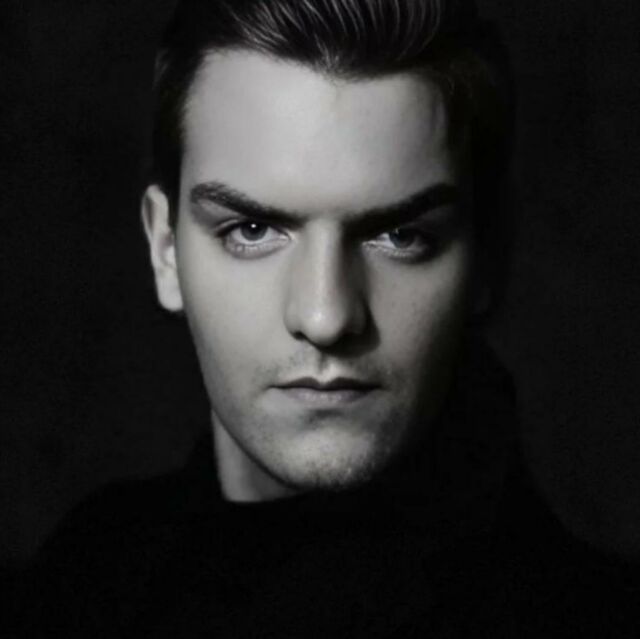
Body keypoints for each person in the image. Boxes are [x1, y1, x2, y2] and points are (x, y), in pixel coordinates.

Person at [19, 0, 639, 637]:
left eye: (401, 235)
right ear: (165, 251)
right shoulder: (79, 586)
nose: (325, 317)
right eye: (251, 230)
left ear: (489, 256)